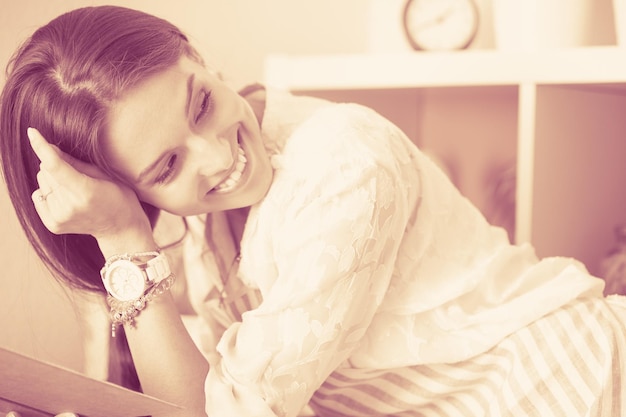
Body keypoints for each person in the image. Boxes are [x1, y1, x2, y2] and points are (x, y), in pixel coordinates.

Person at [1, 5, 624, 417]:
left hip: (570, 386)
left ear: (201, 60)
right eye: (166, 168)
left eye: (200, 104)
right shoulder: (213, 219)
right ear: (139, 191)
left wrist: (121, 236)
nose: (217, 156)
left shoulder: (344, 166)